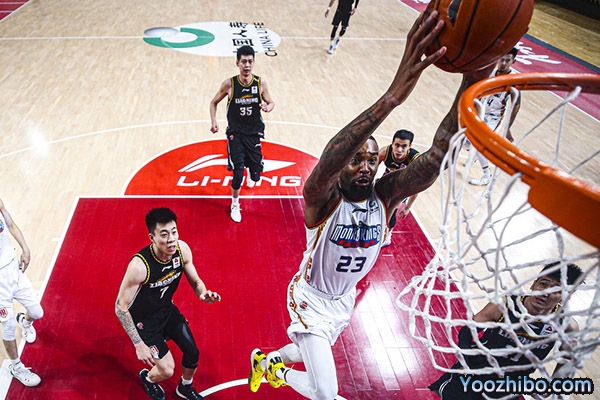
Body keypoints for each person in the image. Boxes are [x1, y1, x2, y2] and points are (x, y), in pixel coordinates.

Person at [247, 11, 496, 399]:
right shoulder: (324, 198)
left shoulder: (385, 195)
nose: (364, 165)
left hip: (343, 299)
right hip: (311, 298)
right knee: (325, 393)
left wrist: (470, 85)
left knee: (306, 351)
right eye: (355, 159)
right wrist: (391, 99)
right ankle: (275, 372)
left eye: (370, 159)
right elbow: (330, 157)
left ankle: (266, 361)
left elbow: (436, 157)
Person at [428, 261, 583, 400]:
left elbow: (567, 359)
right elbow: (467, 331)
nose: (545, 293)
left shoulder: (567, 326)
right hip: (475, 371)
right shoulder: (505, 305)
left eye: (556, 290)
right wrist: (465, 363)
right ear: (533, 284)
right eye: (543, 284)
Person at [115, 208, 221, 400]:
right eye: (164, 235)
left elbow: (196, 282)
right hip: (145, 322)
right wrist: (139, 344)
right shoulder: (140, 266)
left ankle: (185, 388)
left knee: (193, 353)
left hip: (167, 311)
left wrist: (203, 293)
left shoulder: (182, 250)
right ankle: (148, 378)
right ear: (152, 238)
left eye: (174, 232)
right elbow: (120, 307)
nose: (171, 239)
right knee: (167, 370)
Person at [209, 45, 275, 223]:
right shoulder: (229, 84)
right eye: (243, 61)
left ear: (254, 63)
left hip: (254, 132)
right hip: (235, 133)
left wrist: (267, 107)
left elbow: (271, 102)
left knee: (255, 176)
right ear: (237, 63)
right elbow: (213, 103)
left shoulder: (260, 83)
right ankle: (235, 203)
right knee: (238, 173)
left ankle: (252, 167)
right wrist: (214, 121)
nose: (247, 65)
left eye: (250, 61)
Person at [0, 197, 43, 387]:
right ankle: (16, 366)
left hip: (13, 269)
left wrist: (25, 247)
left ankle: (25, 322)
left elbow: (10, 223)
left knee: (37, 312)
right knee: (8, 326)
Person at [468, 47, 521, 186]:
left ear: (513, 62)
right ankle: (475, 155)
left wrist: (508, 127)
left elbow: (516, 105)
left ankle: (487, 176)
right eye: (501, 59)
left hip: (493, 118)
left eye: (507, 60)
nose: (503, 63)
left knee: (478, 144)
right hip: (480, 111)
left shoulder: (513, 81)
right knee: (466, 143)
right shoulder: (490, 72)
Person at [377, 129, 420, 246]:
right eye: (397, 145)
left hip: (402, 189)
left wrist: (408, 207)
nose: (399, 150)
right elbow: (372, 168)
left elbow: (417, 186)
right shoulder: (385, 152)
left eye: (404, 146)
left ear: (409, 146)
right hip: (386, 182)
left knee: (391, 208)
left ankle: (387, 235)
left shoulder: (415, 160)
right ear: (392, 144)